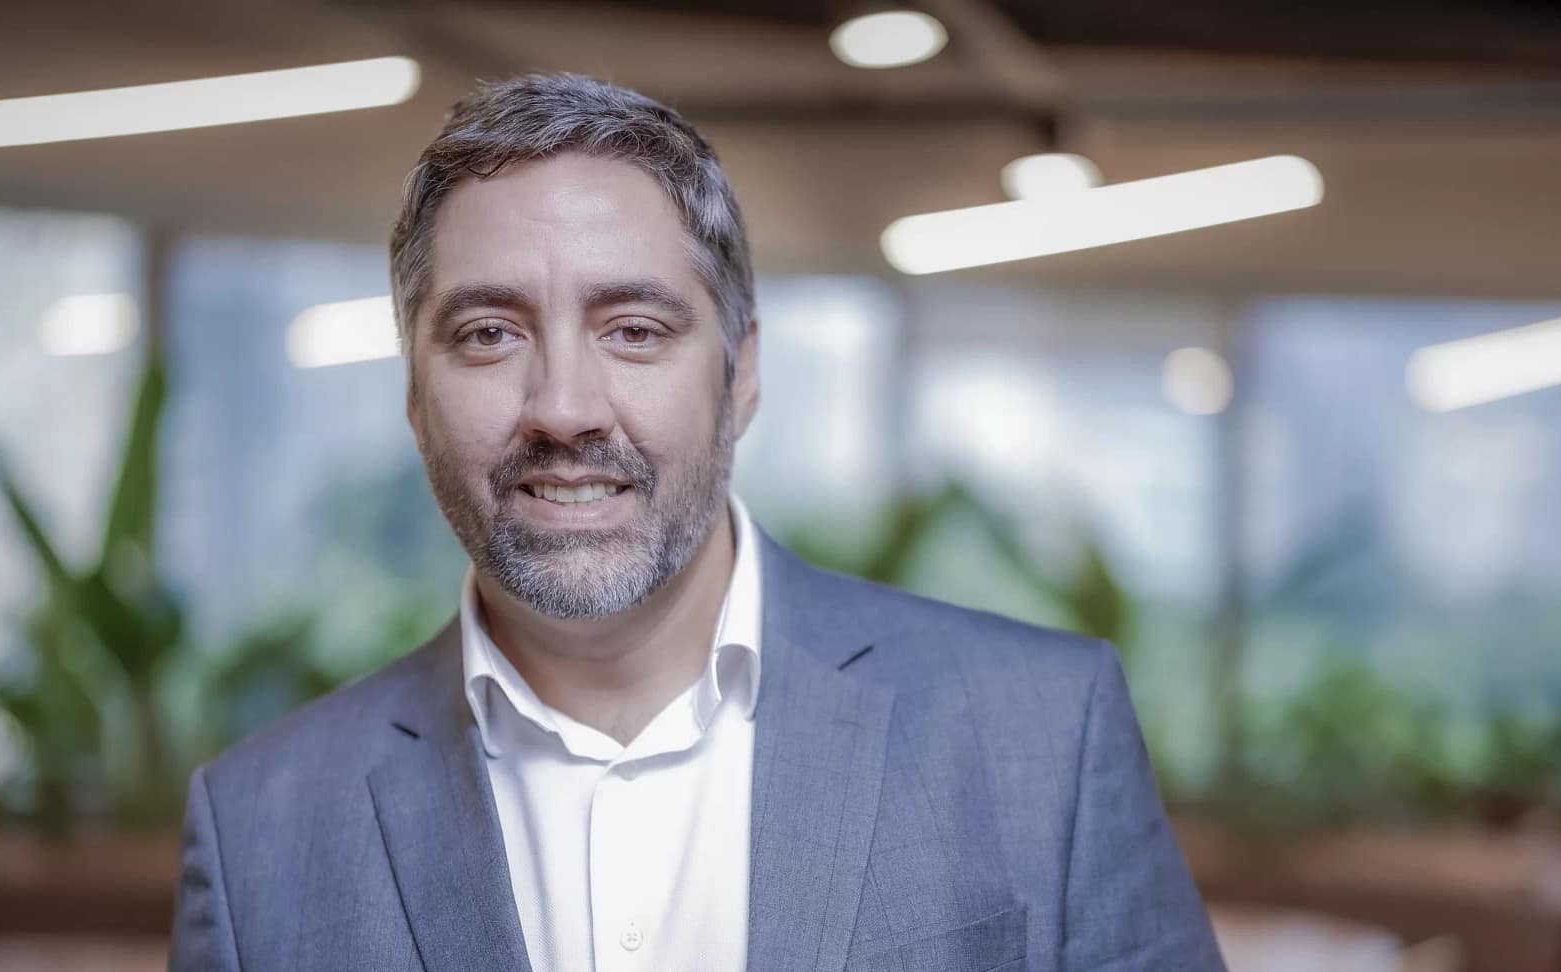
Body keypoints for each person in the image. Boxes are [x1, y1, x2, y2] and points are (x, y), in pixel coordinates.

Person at [170, 73, 1224, 972]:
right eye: (489, 333)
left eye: (634, 329)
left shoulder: (1044, 735)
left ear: (740, 373)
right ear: (414, 395)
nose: (564, 408)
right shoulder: (257, 832)